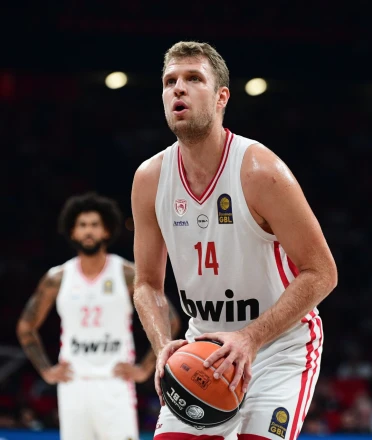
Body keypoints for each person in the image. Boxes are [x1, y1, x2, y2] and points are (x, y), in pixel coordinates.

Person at [131, 41, 338, 440]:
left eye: (194, 78)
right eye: (170, 81)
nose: (178, 88)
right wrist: (163, 346)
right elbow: (146, 284)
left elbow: (322, 273)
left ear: (222, 96)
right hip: (203, 351)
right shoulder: (149, 179)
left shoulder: (261, 171)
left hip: (277, 348)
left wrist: (249, 338)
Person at [16, 192, 181, 440]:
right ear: (72, 232)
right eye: (82, 225)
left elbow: (170, 318)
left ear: (106, 231)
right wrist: (46, 370)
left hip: (115, 382)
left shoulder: (126, 273)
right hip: (73, 383)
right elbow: (25, 327)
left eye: (95, 225)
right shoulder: (57, 278)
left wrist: (144, 369)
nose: (88, 231)